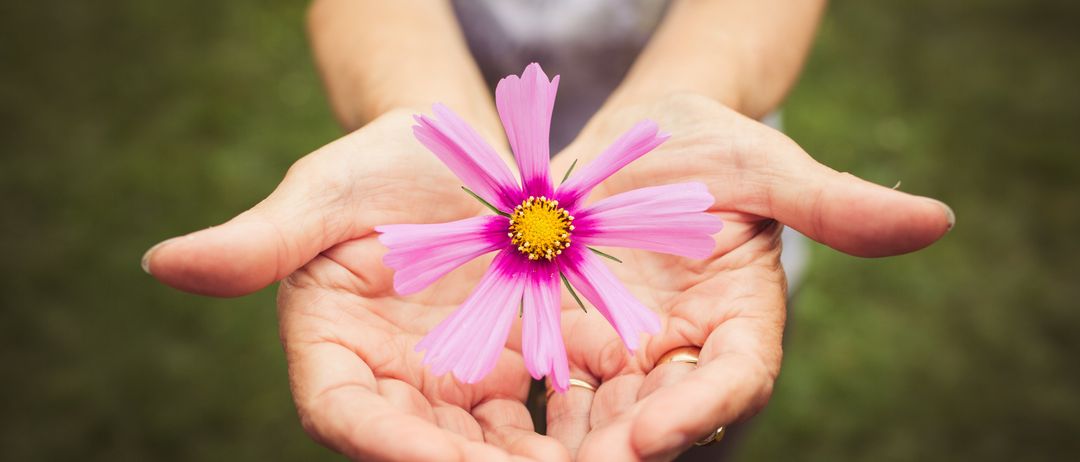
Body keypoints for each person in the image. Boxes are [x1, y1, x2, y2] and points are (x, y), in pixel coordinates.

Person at [141, 1, 954, 460]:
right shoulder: (514, 232)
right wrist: (421, 111)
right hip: (459, 245)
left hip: (689, 252)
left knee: (677, 426)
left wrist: (683, 96)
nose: (537, 231)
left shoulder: (600, 239)